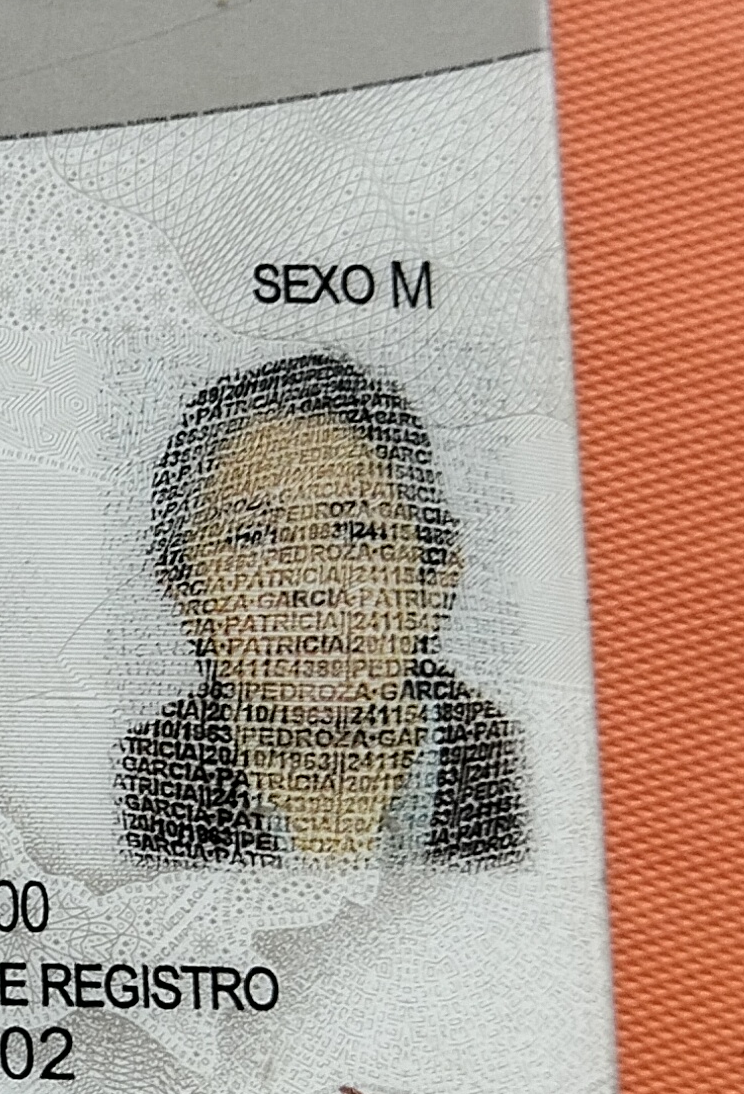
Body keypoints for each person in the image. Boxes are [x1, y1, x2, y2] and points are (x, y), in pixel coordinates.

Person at [118, 353, 523, 867]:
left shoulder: (525, 776)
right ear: (188, 595)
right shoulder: (135, 789)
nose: (312, 584)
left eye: (359, 533)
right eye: (254, 537)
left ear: (433, 584)